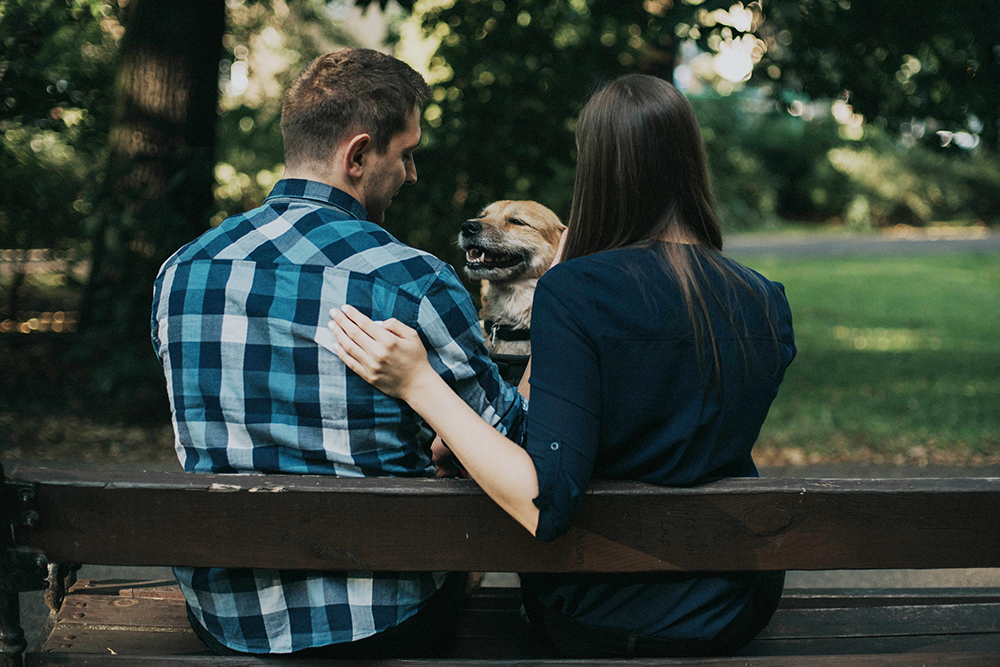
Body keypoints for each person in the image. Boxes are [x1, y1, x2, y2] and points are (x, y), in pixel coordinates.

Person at [326, 73, 797, 658]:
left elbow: (544, 502)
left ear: (597, 168)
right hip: (736, 603)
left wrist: (419, 382)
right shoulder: (763, 297)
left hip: (606, 610)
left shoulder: (576, 291)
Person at [150, 48, 527, 657]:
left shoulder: (183, 270)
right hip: (383, 618)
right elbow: (512, 443)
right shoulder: (413, 281)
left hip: (227, 618)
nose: (412, 175)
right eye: (405, 155)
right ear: (356, 155)